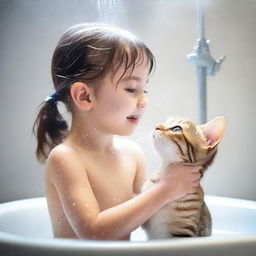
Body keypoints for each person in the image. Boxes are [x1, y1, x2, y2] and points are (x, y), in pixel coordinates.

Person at [33, 23, 201, 241]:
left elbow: (142, 218)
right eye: (131, 89)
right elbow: (94, 233)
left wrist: (180, 188)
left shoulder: (132, 155)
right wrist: (165, 189)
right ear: (84, 96)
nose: (144, 101)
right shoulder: (66, 158)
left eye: (144, 89)